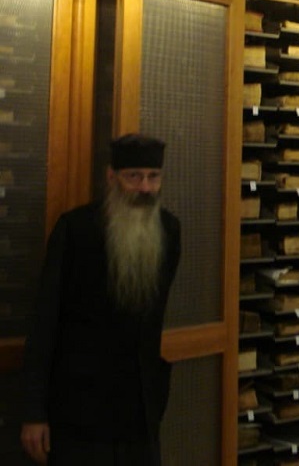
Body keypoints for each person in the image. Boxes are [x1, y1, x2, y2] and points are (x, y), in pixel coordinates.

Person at [20, 133, 181, 465]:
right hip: (80, 409)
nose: (145, 188)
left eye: (153, 177)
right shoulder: (75, 230)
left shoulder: (169, 230)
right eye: (134, 176)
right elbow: (44, 321)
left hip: (139, 410)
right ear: (112, 177)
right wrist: (34, 412)